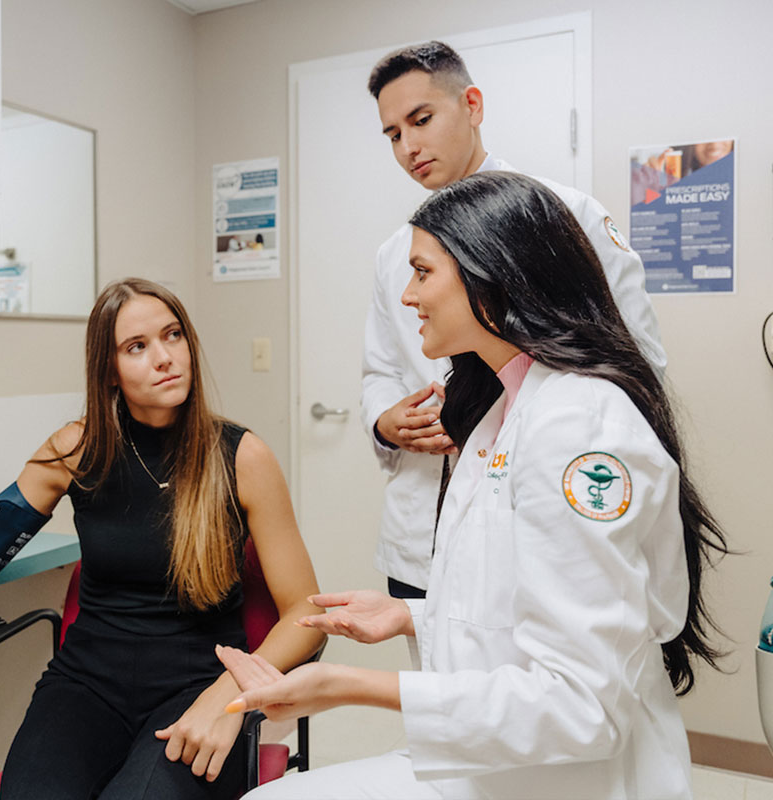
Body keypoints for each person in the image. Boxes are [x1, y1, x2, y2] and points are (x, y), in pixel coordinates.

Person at [217, 172, 728, 800]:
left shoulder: (579, 427)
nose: (407, 296)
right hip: (505, 766)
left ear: (494, 274)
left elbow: (581, 704)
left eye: (423, 273)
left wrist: (345, 687)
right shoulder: (501, 410)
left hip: (579, 777)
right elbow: (527, 603)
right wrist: (410, 615)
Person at [0, 278, 325, 800]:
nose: (164, 357)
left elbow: (304, 610)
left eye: (173, 334)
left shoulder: (241, 456)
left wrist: (230, 694)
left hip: (198, 688)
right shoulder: (78, 450)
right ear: (108, 371)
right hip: (87, 686)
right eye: (136, 346)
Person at [361, 41, 667, 600]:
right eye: (393, 135)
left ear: (472, 105)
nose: (409, 146)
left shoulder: (563, 216)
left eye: (421, 119)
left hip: (545, 509)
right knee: (437, 674)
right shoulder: (393, 254)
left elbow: (635, 363)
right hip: (423, 528)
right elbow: (380, 368)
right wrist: (385, 420)